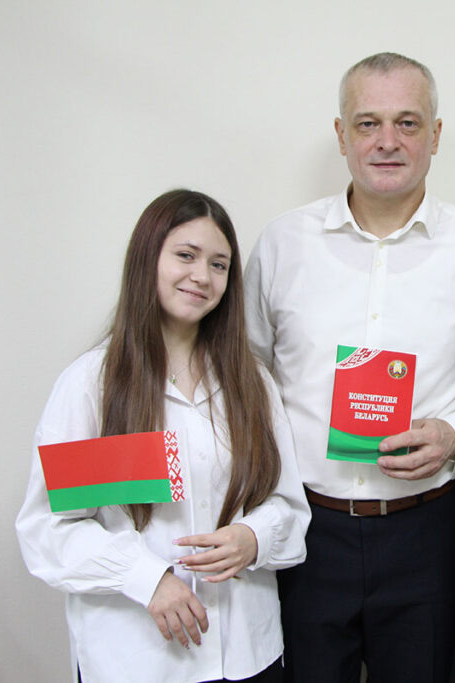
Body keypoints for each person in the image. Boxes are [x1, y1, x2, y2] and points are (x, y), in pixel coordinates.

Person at [243, 53, 455, 683]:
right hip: (305, 530)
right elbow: (246, 377)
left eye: (408, 122)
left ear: (436, 135)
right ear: (341, 135)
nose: (387, 141)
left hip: (426, 532)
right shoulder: (282, 244)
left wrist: (454, 434)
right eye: (368, 123)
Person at [16, 189, 310, 683]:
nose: (202, 276)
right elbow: (49, 530)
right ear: (147, 259)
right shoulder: (92, 385)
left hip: (248, 655)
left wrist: (254, 537)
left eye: (218, 265)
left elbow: (288, 504)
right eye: (185, 255)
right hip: (138, 660)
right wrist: (147, 579)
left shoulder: (251, 381)